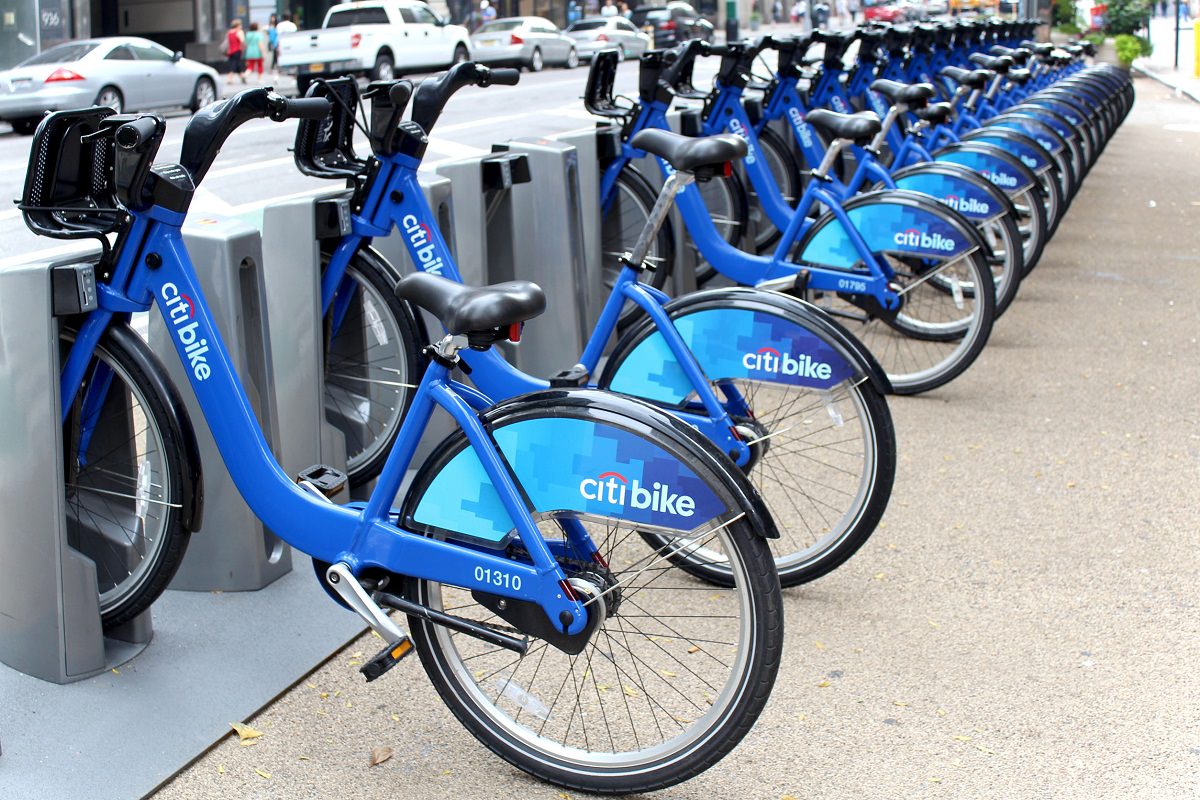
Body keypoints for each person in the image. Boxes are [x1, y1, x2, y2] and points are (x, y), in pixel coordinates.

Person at [224, 19, 246, 84]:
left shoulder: (229, 32)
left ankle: (242, 77)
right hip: (237, 50)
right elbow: (242, 41)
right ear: (238, 25)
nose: (241, 26)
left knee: (237, 64)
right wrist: (243, 47)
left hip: (230, 51)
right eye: (240, 25)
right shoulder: (239, 32)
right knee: (234, 64)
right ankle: (229, 79)